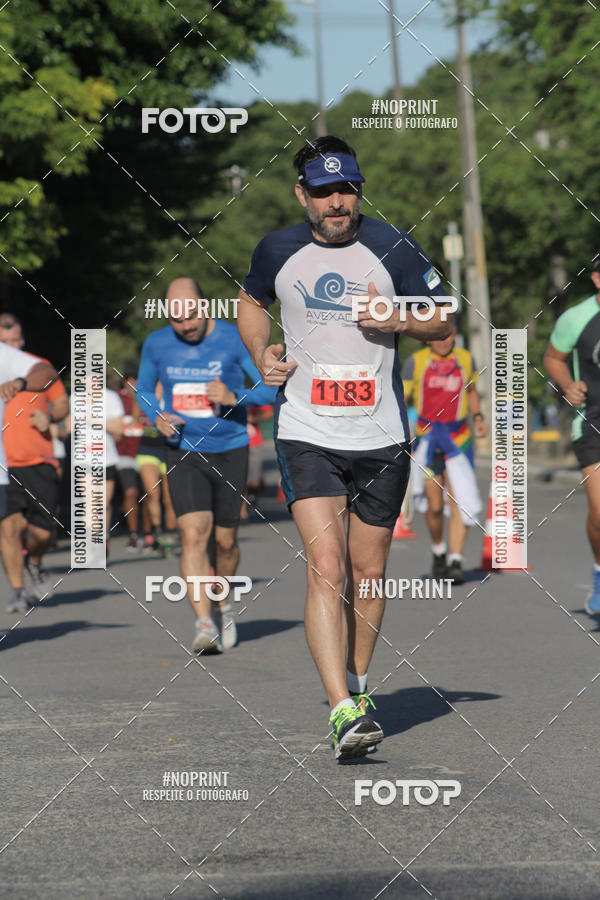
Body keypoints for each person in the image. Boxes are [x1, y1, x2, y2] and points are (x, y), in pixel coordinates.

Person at [237, 134, 453, 759]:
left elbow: (443, 317)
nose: (338, 202)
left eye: (347, 189)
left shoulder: (393, 245)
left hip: (381, 432)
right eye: (325, 191)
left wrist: (401, 322)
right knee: (326, 567)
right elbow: (252, 303)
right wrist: (261, 351)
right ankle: (340, 708)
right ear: (301, 194)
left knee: (370, 571)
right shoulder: (277, 249)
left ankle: (356, 686)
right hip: (308, 429)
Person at [136, 278, 277, 653]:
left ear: (205, 306)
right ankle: (203, 624)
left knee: (225, 542)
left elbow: (270, 386)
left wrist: (235, 396)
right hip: (182, 448)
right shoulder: (157, 343)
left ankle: (224, 604)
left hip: (230, 447)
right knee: (192, 534)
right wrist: (156, 417)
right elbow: (144, 390)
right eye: (177, 320)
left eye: (192, 316)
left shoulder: (233, 338)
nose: (187, 326)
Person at [401, 327, 487, 584]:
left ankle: (456, 560)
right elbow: (403, 398)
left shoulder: (465, 358)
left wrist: (478, 418)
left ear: (454, 336)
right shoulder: (415, 362)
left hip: (458, 441)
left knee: (459, 499)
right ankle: (439, 550)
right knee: (435, 504)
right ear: (427, 338)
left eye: (448, 336)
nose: (443, 342)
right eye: (438, 337)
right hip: (428, 443)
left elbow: (471, 391)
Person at [544, 257, 600, 619]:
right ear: (597, 278)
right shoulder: (576, 318)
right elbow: (553, 357)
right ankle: (599, 573)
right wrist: (567, 385)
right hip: (593, 421)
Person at [0, 315, 67, 603]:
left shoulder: (34, 367)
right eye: (6, 342)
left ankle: (35, 562)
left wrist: (50, 416)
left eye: (16, 340)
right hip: (6, 463)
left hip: (39, 459)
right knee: (10, 527)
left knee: (43, 532)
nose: (12, 347)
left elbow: (62, 403)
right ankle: (17, 591)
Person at [135, 381, 177, 555]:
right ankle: (157, 532)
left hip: (170, 448)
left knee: (169, 498)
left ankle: (170, 535)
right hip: (147, 449)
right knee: (152, 493)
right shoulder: (144, 393)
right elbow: (134, 416)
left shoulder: (174, 393)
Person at [113, 367, 144, 552]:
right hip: (124, 454)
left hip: (147, 451)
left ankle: (149, 533)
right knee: (131, 492)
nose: (134, 384)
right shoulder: (117, 399)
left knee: (149, 495)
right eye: (130, 380)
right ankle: (133, 534)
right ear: (124, 381)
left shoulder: (149, 398)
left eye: (137, 379)